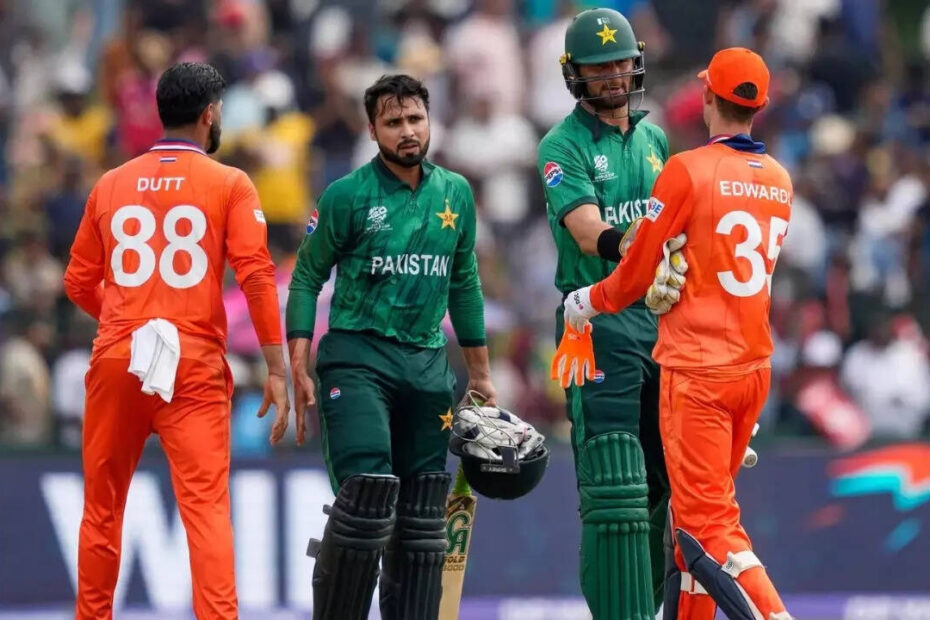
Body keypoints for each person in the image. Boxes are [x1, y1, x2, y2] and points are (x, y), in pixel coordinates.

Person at [555, 47, 795, 620]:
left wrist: (588, 301)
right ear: (758, 105)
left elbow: (637, 269)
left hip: (698, 372)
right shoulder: (780, 179)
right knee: (689, 535)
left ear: (707, 96)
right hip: (753, 370)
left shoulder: (687, 168)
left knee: (707, 528)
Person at [63, 62, 291, 619]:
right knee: (206, 510)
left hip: (119, 356)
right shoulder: (229, 183)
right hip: (192, 362)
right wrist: (276, 367)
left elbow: (77, 282)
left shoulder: (110, 183)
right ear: (210, 114)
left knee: (101, 509)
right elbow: (257, 276)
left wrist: (127, 322)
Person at [286, 74, 496, 620]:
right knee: (367, 496)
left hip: (428, 368)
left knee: (423, 518)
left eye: (415, 119)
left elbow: (464, 283)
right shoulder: (346, 195)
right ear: (372, 130)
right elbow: (306, 278)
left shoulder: (456, 193)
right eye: (394, 122)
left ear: (430, 120)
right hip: (357, 360)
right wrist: (298, 364)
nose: (408, 131)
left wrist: (481, 374)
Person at [537, 7, 671, 617]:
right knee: (613, 481)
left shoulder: (654, 139)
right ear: (576, 74)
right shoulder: (561, 144)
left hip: (658, 321)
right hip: (595, 319)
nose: (614, 75)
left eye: (620, 63)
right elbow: (589, 232)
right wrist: (640, 247)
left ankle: (644, 606)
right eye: (599, 67)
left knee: (664, 483)